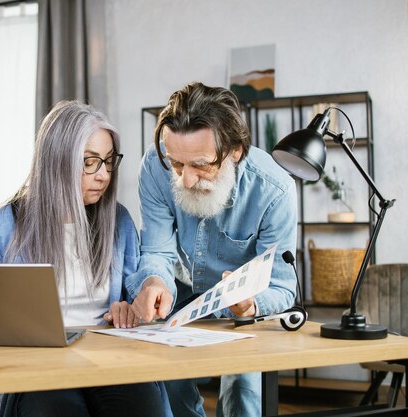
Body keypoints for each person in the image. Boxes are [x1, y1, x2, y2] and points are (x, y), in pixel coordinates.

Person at [0, 100, 173, 417]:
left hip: (108, 355)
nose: (103, 175)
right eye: (90, 162)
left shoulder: (118, 221)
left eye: (108, 162)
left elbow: (133, 293)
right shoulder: (3, 222)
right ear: (57, 160)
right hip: (36, 362)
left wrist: (128, 309)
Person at [127, 82, 298, 417]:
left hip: (242, 309)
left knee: (244, 395)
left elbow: (281, 287)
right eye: (177, 164)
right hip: (180, 291)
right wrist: (153, 283)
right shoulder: (155, 166)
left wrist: (248, 306)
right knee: (166, 384)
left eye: (201, 165)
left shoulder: (275, 191)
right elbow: (158, 252)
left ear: (234, 150)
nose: (187, 180)